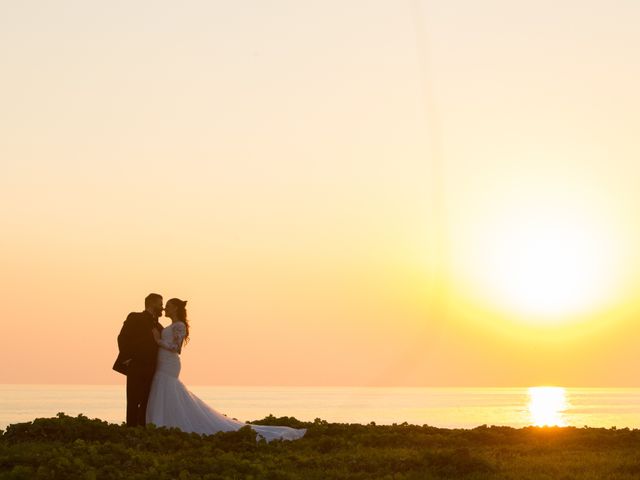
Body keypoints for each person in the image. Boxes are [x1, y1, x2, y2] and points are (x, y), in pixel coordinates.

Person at [146, 298, 306, 442]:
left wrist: (158, 341)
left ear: (175, 308)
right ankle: (164, 424)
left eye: (167, 306)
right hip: (162, 364)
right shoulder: (169, 326)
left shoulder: (179, 326)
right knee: (163, 392)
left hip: (170, 365)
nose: (165, 309)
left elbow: (177, 348)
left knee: (167, 390)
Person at [113, 293, 164, 426]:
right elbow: (122, 337)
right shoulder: (135, 317)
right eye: (160, 304)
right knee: (133, 400)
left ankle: (142, 428)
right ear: (152, 303)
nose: (162, 308)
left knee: (147, 401)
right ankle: (131, 429)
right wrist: (127, 359)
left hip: (152, 368)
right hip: (136, 366)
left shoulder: (159, 327)